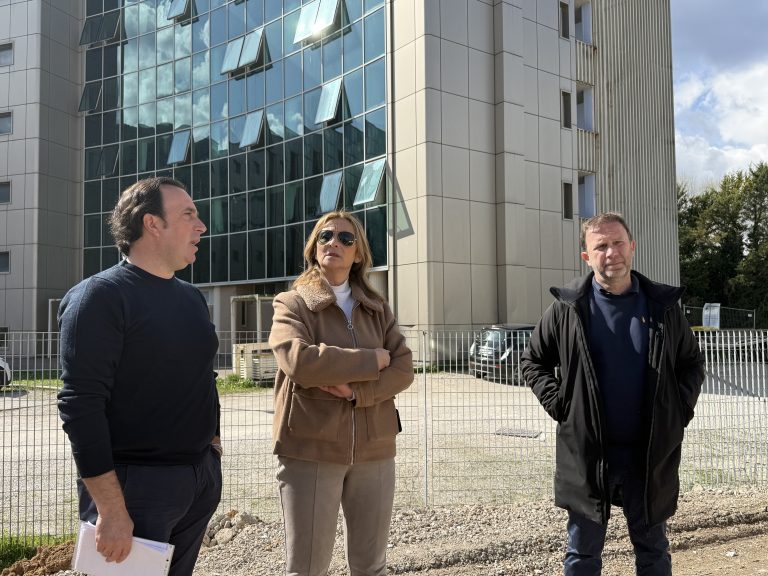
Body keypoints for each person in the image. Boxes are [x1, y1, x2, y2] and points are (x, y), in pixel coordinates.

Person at [521, 212, 705, 575]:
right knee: (581, 555)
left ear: (632, 247)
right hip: (589, 457)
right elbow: (533, 361)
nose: (611, 252)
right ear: (586, 257)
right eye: (600, 246)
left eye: (618, 242)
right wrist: (561, 405)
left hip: (648, 456)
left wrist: (679, 409)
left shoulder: (662, 307)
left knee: (653, 551)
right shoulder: (567, 308)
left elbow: (692, 363)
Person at [57, 177, 222, 576]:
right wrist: (111, 510)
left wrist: (212, 451)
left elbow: (203, 377)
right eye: (189, 215)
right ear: (152, 224)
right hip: (135, 491)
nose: (201, 226)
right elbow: (81, 406)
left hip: (197, 479)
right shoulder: (99, 298)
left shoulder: (192, 298)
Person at [269, 210, 413, 576]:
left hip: (375, 449)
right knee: (307, 568)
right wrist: (371, 359)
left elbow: (404, 367)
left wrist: (357, 394)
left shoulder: (377, 308)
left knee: (371, 567)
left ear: (359, 254)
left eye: (346, 239)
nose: (334, 243)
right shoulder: (291, 304)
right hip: (311, 448)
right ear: (314, 249)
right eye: (325, 237)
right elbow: (300, 361)